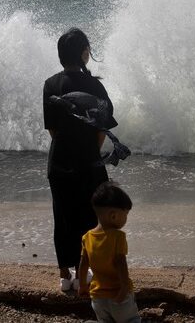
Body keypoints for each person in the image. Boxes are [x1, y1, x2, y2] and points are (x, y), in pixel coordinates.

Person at [43, 28, 115, 291]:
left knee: (62, 216)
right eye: (87, 48)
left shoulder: (50, 85)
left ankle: (65, 276)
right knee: (90, 217)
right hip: (89, 161)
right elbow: (102, 129)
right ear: (83, 52)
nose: (89, 52)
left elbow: (53, 131)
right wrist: (90, 152)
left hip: (60, 160)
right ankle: (86, 271)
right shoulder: (96, 86)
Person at [78, 181, 140, 323]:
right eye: (125, 214)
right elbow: (120, 264)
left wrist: (82, 285)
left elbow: (83, 264)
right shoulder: (118, 237)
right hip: (118, 295)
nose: (126, 219)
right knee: (131, 320)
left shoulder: (87, 237)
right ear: (113, 216)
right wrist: (124, 288)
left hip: (97, 297)